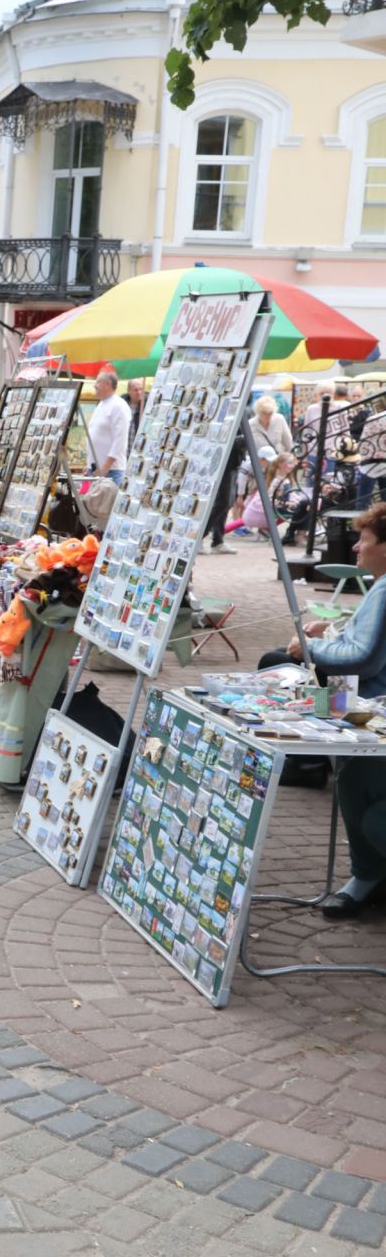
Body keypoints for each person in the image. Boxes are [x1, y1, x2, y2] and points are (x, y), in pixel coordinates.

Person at [280, 501, 386, 919]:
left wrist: (306, 649)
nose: (356, 548)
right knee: (352, 780)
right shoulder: (379, 585)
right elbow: (364, 641)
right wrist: (330, 634)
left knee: (364, 794)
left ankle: (368, 874)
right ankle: (366, 875)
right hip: (361, 707)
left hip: (369, 709)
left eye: (364, 539)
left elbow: (364, 658)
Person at [87, 367, 131, 478]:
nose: (95, 385)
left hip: (111, 471)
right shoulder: (101, 404)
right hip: (94, 468)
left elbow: (120, 440)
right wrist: (88, 463)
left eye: (98, 382)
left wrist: (106, 467)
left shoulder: (119, 406)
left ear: (107, 385)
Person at [356, 404, 386, 510]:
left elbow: (363, 444)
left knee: (362, 500)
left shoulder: (374, 419)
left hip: (369, 462)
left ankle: (359, 524)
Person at [251, 393, 293, 458]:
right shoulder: (251, 424)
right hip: (259, 462)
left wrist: (290, 457)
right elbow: (248, 448)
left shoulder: (279, 419)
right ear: (258, 411)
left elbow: (288, 441)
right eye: (264, 413)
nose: (267, 416)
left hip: (277, 461)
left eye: (270, 413)